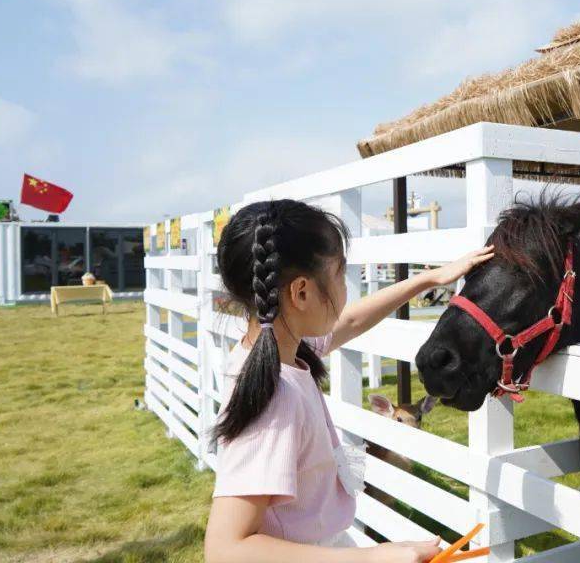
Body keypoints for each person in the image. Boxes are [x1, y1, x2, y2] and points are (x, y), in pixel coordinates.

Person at [204, 199, 493, 563]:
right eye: (340, 274)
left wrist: (429, 278)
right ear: (302, 293)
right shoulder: (273, 395)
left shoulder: (281, 351)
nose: (345, 288)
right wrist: (375, 558)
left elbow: (353, 321)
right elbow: (226, 549)